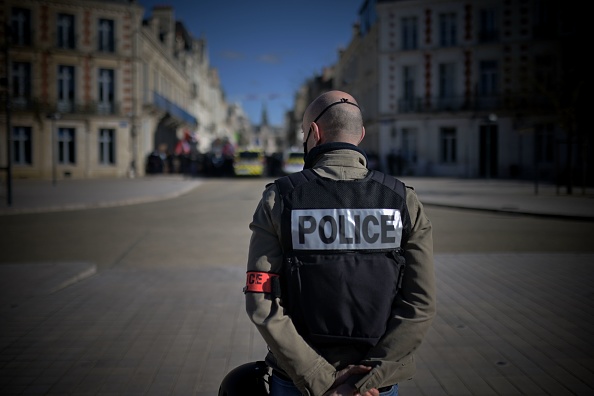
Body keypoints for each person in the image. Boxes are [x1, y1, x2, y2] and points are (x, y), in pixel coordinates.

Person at [245, 90, 436, 396]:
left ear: (314, 133)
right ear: (360, 135)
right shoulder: (403, 200)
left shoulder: (279, 198)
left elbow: (261, 300)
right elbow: (420, 305)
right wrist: (365, 381)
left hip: (299, 383)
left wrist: (319, 379)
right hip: (376, 386)